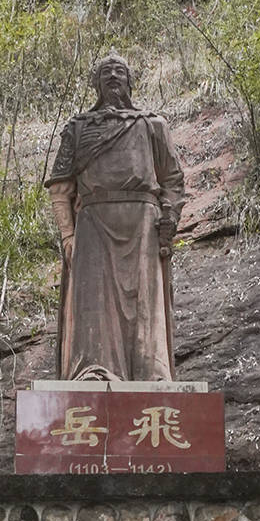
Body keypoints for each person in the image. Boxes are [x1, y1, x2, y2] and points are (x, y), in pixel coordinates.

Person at [45, 54, 185, 382]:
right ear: (96, 83)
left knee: (146, 304)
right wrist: (68, 235)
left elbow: (173, 181)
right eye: (105, 72)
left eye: (119, 71)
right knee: (93, 302)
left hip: (143, 224)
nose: (112, 76)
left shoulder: (153, 125)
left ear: (129, 81)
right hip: (93, 224)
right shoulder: (77, 129)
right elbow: (60, 189)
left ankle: (152, 372)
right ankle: (95, 369)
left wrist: (170, 215)